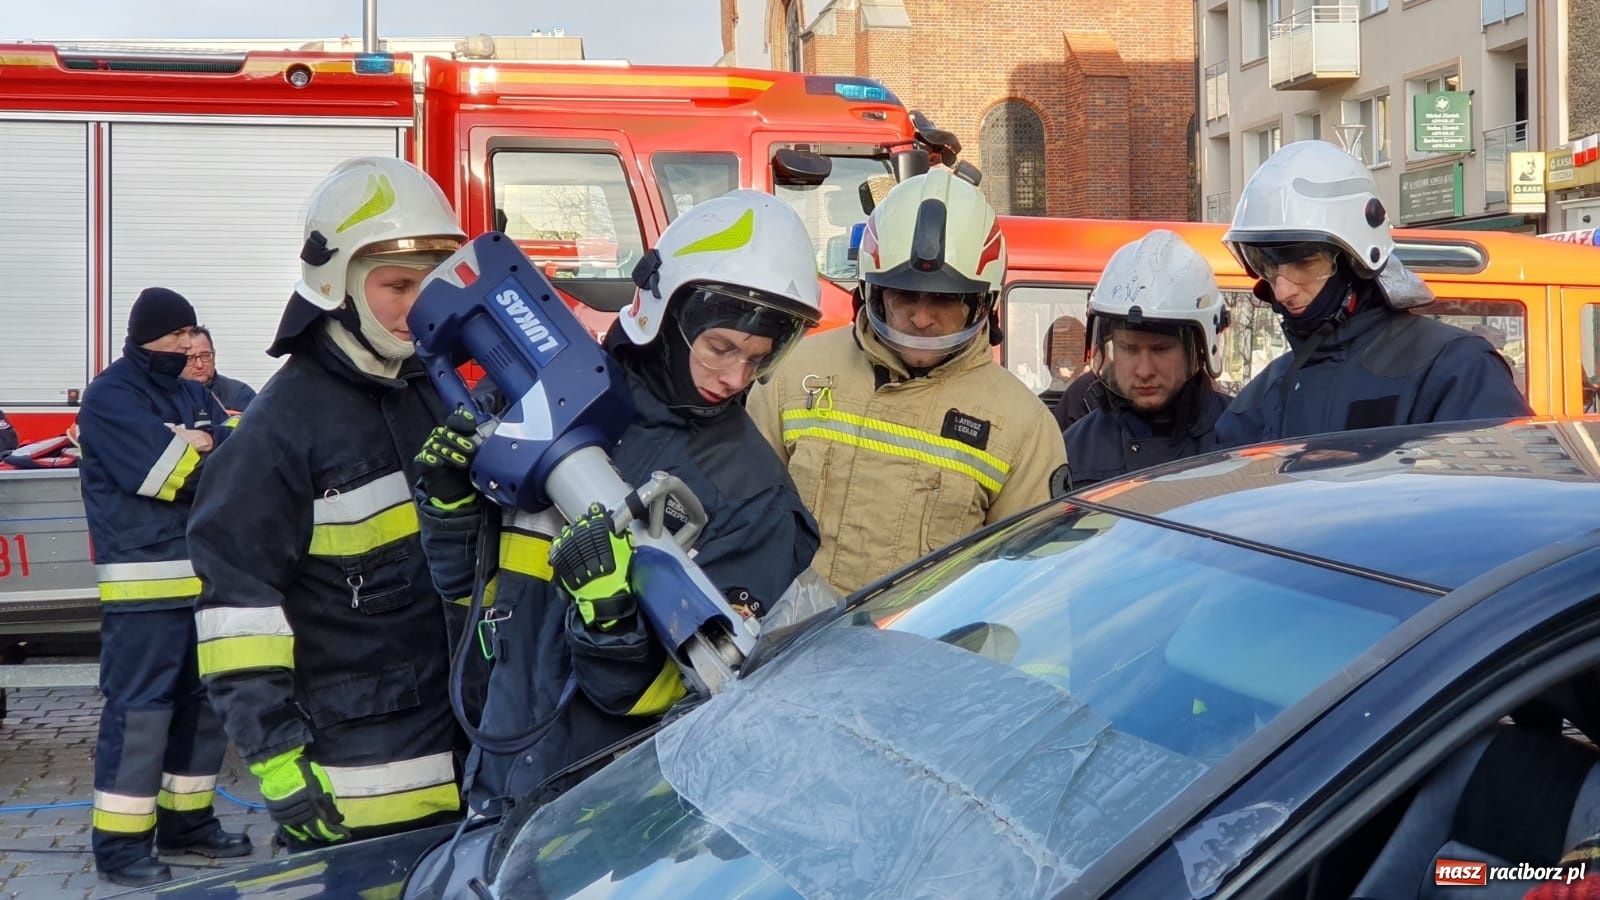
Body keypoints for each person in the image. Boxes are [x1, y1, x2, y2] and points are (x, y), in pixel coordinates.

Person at [451, 190, 822, 812]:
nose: (735, 378)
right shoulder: (551, 397)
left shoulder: (754, 497)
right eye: (721, 347)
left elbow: (665, 697)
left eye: (758, 359)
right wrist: (447, 508)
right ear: (662, 313)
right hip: (494, 774)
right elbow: (467, 597)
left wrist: (612, 623)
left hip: (609, 818)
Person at [187, 157, 479, 851]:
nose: (418, 306)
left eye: (430, 283)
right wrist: (279, 761)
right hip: (357, 786)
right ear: (337, 283)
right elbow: (237, 610)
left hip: (468, 761)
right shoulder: (280, 429)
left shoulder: (436, 394)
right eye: (396, 285)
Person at [748, 167, 1067, 596]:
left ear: (981, 303)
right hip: (789, 646)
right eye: (903, 296)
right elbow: (743, 520)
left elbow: (1030, 587)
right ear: (871, 291)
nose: (920, 318)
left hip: (923, 658)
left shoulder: (1022, 427)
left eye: (944, 300)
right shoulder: (792, 374)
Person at [77, 287, 249, 887]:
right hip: (144, 590)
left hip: (203, 581)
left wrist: (203, 438)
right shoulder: (110, 398)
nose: (187, 345)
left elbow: (237, 454)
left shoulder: (190, 392)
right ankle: (121, 848)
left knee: (204, 711)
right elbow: (169, 476)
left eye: (191, 334)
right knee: (142, 715)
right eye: (178, 335)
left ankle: (189, 824)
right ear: (148, 335)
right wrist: (196, 447)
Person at [1211, 140, 1531, 448]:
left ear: (1357, 261)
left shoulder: (1457, 370)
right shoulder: (1264, 394)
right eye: (1266, 265)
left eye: (1304, 263)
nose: (1282, 290)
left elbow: (1502, 493)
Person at [1063, 230, 1233, 489]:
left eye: (1161, 349)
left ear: (1198, 349)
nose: (1144, 371)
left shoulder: (1245, 437)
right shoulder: (1074, 451)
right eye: (1129, 349)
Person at [182, 325, 257, 413]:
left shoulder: (240, 394)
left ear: (213, 356)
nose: (199, 365)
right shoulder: (168, 396)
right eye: (190, 358)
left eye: (205, 355)